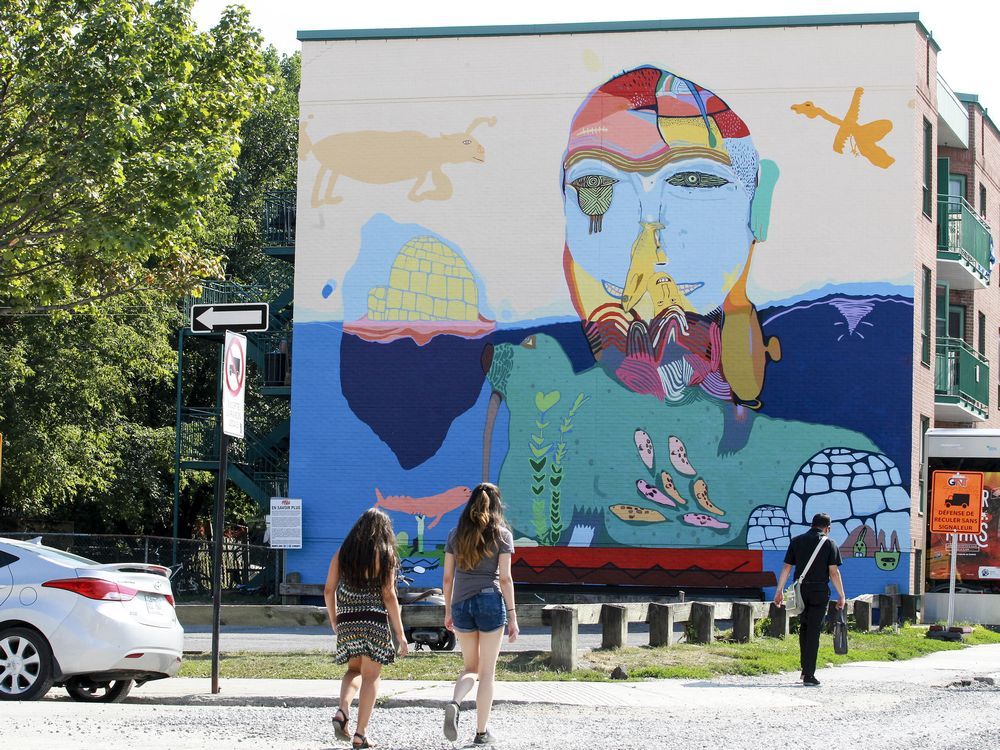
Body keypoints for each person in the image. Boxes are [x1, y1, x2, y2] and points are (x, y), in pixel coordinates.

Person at [441, 482, 519, 745]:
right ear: (497, 505)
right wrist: (513, 616)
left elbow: (448, 578)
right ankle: (481, 733)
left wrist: (448, 609)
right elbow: (506, 579)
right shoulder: (502, 535)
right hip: (490, 602)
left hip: (461, 603)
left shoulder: (455, 535)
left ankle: (455, 701)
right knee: (487, 672)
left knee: (470, 667)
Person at [324, 508, 408, 748]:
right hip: (373, 620)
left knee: (353, 671)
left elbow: (329, 589)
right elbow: (389, 595)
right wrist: (400, 635)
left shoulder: (343, 552)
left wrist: (334, 618)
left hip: (348, 620)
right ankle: (360, 734)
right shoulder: (385, 554)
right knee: (371, 676)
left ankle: (342, 710)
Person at [774, 512, 846, 686]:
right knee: (813, 631)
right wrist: (841, 595)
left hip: (801, 590)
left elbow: (786, 568)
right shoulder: (830, 543)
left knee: (804, 628)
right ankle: (809, 674)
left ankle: (805, 670)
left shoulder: (797, 541)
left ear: (812, 525)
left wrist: (779, 590)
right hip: (819, 590)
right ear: (827, 528)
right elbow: (834, 572)